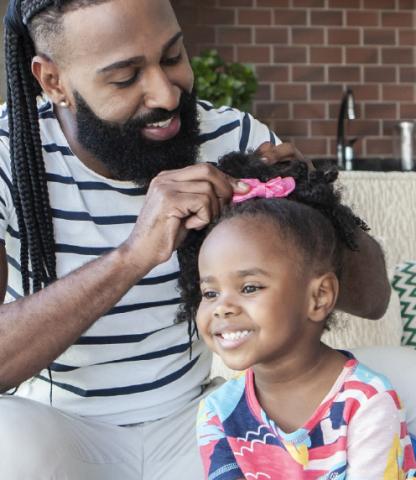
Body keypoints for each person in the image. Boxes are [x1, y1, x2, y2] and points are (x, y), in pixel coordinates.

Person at [0, 0, 391, 478]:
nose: (165, 95)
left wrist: (311, 202)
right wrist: (133, 255)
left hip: (195, 427)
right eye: (125, 78)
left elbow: (373, 299)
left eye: (172, 57)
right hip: (53, 435)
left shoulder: (230, 137)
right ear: (53, 81)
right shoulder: (8, 156)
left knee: (401, 381)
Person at [177, 152, 416, 479]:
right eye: (210, 293)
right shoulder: (218, 411)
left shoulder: (366, 403)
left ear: (319, 296)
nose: (222, 307)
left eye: (249, 287)